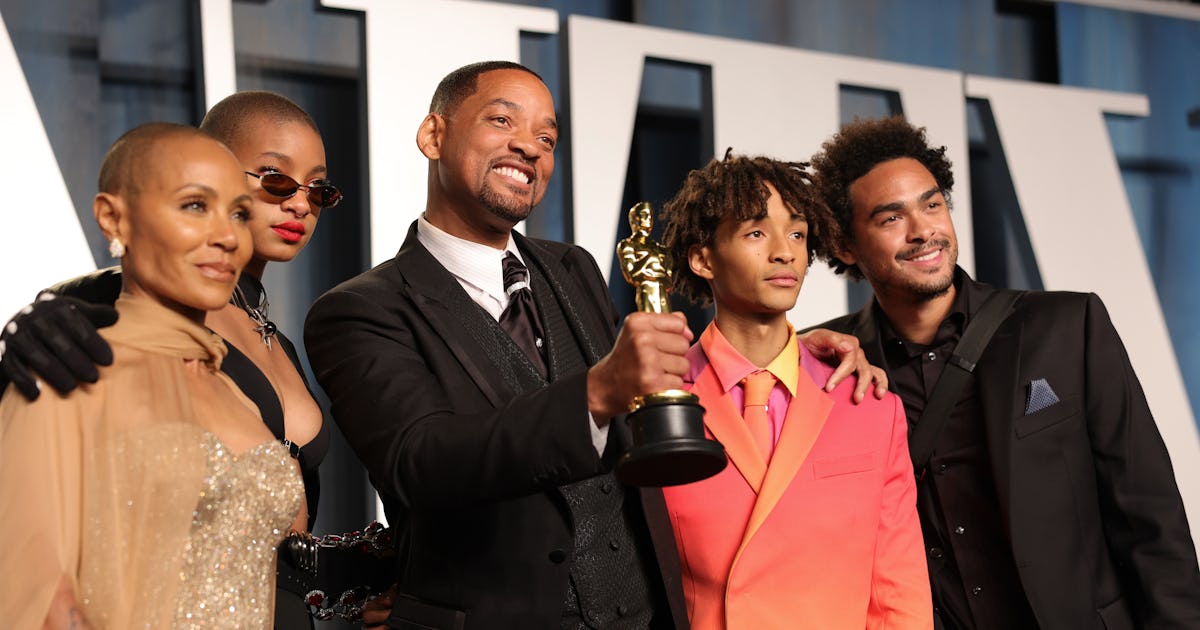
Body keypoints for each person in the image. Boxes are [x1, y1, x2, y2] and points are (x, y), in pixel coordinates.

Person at [303, 60, 884, 630]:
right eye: (503, 122)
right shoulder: (359, 310)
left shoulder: (572, 268)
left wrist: (790, 352)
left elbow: (650, 395)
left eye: (546, 137)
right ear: (434, 135)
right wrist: (596, 392)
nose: (530, 147)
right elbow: (420, 462)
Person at [0, 92, 385, 627]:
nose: (300, 202)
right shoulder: (104, 308)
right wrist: (22, 336)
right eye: (275, 179)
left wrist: (349, 577)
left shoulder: (276, 340)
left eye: (318, 189)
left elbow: (245, 535)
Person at [808, 115, 1200, 629]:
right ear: (844, 245)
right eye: (890, 218)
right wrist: (788, 356)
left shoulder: (1067, 325)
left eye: (932, 203)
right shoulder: (825, 365)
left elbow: (1149, 515)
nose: (924, 230)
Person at [656, 150, 930, 629]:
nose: (785, 251)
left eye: (798, 233)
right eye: (756, 232)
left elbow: (897, 589)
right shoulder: (658, 400)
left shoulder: (866, 401)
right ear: (703, 258)